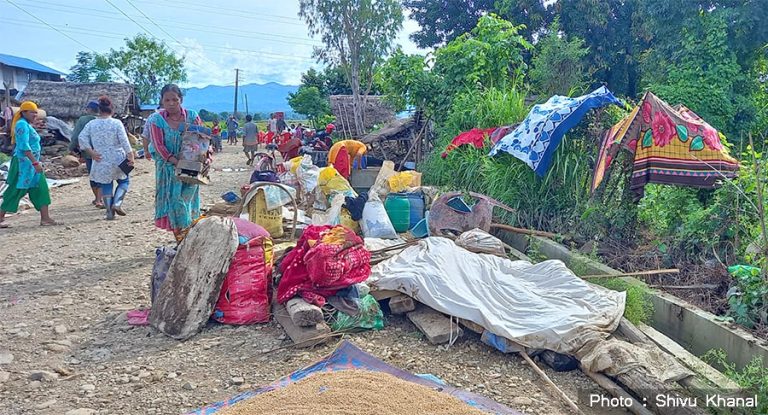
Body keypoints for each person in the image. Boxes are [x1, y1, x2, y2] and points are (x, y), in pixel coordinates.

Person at [145, 84, 207, 239]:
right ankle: (180, 238)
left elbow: (202, 140)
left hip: (191, 167)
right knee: (173, 201)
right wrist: (175, 161)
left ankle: (188, 236)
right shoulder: (156, 120)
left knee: (188, 201)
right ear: (162, 101)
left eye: (175, 99)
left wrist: (205, 157)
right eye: (167, 100)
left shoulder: (192, 117)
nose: (171, 103)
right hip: (167, 169)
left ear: (181, 100)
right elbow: (158, 145)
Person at [0, 101, 59, 228]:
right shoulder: (21, 125)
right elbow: (24, 146)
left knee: (40, 188)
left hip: (31, 164)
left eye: (36, 112)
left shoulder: (26, 124)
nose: (35, 115)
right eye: (32, 112)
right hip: (24, 164)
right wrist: (35, 162)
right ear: (24, 112)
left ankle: (45, 218)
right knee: (16, 190)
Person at [78, 96, 134, 220]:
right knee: (124, 181)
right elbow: (124, 141)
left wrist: (91, 152)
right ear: (112, 110)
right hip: (118, 158)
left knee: (106, 184)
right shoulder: (116, 123)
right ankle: (117, 204)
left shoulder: (91, 124)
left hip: (100, 158)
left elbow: (81, 138)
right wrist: (130, 155)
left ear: (99, 110)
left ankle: (109, 212)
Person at [69, 100, 102, 208]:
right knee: (102, 175)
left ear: (89, 109)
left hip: (88, 153)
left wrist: (71, 148)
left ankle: (97, 198)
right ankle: (100, 198)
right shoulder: (103, 119)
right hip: (103, 153)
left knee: (93, 175)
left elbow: (76, 136)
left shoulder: (83, 120)